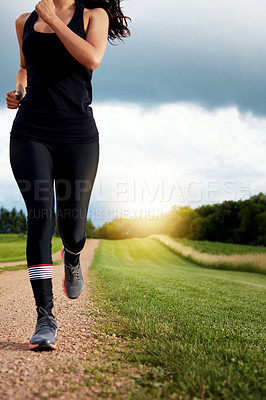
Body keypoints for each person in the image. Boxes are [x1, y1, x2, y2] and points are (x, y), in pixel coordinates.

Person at [6, 0, 130, 351]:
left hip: (78, 135)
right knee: (41, 216)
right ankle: (45, 317)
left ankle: (72, 255)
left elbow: (92, 58)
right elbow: (23, 67)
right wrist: (19, 90)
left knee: (73, 225)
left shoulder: (93, 16)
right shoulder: (23, 21)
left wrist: (54, 22)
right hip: (30, 131)